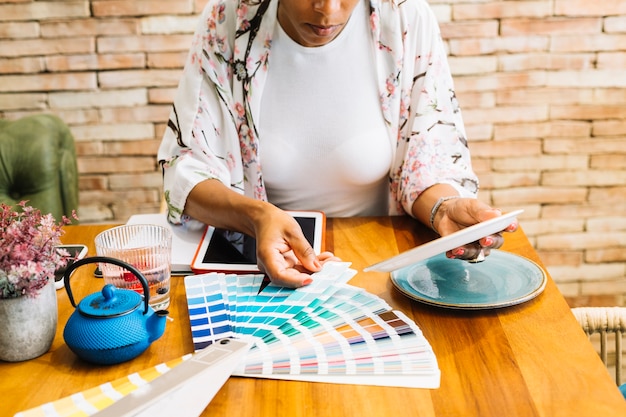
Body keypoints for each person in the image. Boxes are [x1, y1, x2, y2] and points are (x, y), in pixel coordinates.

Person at [157, 0, 518, 288]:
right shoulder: (228, 20)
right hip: (264, 268)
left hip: (380, 271)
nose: (327, 10)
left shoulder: (405, 17)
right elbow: (186, 168)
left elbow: (424, 162)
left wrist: (444, 207)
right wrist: (257, 216)